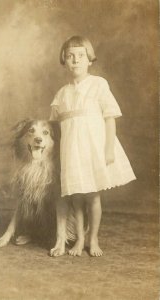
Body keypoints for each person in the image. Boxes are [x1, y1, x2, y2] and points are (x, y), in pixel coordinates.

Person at [49, 36, 136, 257]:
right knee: (76, 197)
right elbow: (55, 127)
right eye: (70, 57)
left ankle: (93, 238)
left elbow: (110, 118)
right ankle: (79, 239)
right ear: (64, 61)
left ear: (89, 60)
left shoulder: (99, 84)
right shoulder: (62, 93)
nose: (75, 61)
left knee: (92, 196)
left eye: (80, 56)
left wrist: (108, 149)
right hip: (71, 151)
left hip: (92, 148)